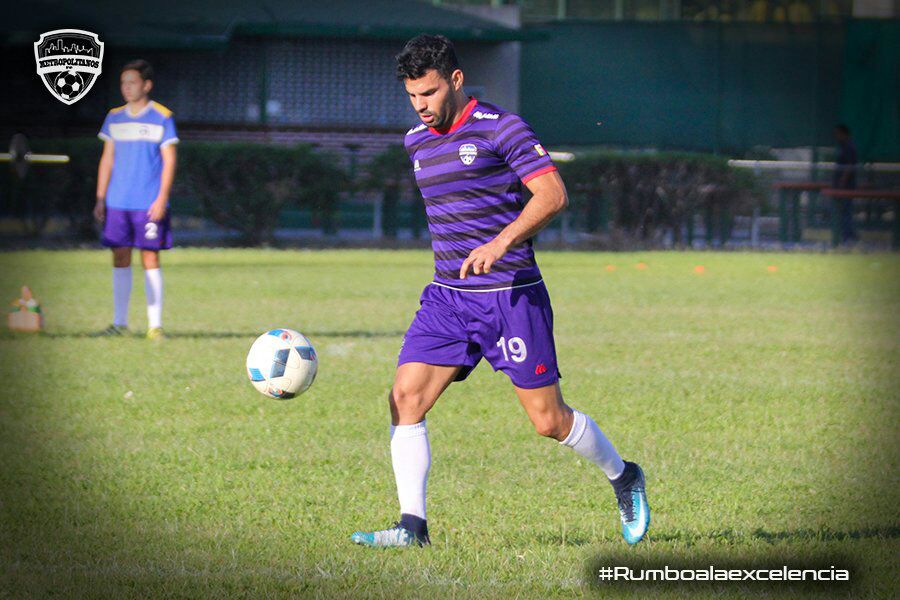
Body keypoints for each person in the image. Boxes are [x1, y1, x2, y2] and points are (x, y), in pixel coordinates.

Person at [350, 35, 650, 548]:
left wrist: (502, 240)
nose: (421, 106)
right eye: (412, 96)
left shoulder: (502, 129)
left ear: (456, 80)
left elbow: (553, 195)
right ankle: (411, 527)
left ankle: (624, 476)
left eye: (429, 92)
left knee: (548, 421)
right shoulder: (415, 141)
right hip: (448, 297)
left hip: (511, 296)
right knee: (404, 399)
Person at [93, 60, 178, 339]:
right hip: (118, 202)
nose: (126, 88)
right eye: (123, 82)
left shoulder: (162, 117)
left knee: (150, 257)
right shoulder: (114, 117)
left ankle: (155, 325)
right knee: (119, 256)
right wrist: (101, 197)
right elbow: (107, 159)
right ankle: (119, 322)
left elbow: (169, 160)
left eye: (132, 82)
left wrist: (161, 197)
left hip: (147, 203)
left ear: (146, 85)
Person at [833, 124, 858, 244]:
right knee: (843, 211)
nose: (836, 136)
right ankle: (848, 235)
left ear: (844, 133)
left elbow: (849, 166)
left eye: (838, 134)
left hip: (847, 187)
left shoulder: (849, 146)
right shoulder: (843, 146)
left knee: (846, 211)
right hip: (841, 186)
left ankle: (849, 238)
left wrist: (843, 180)